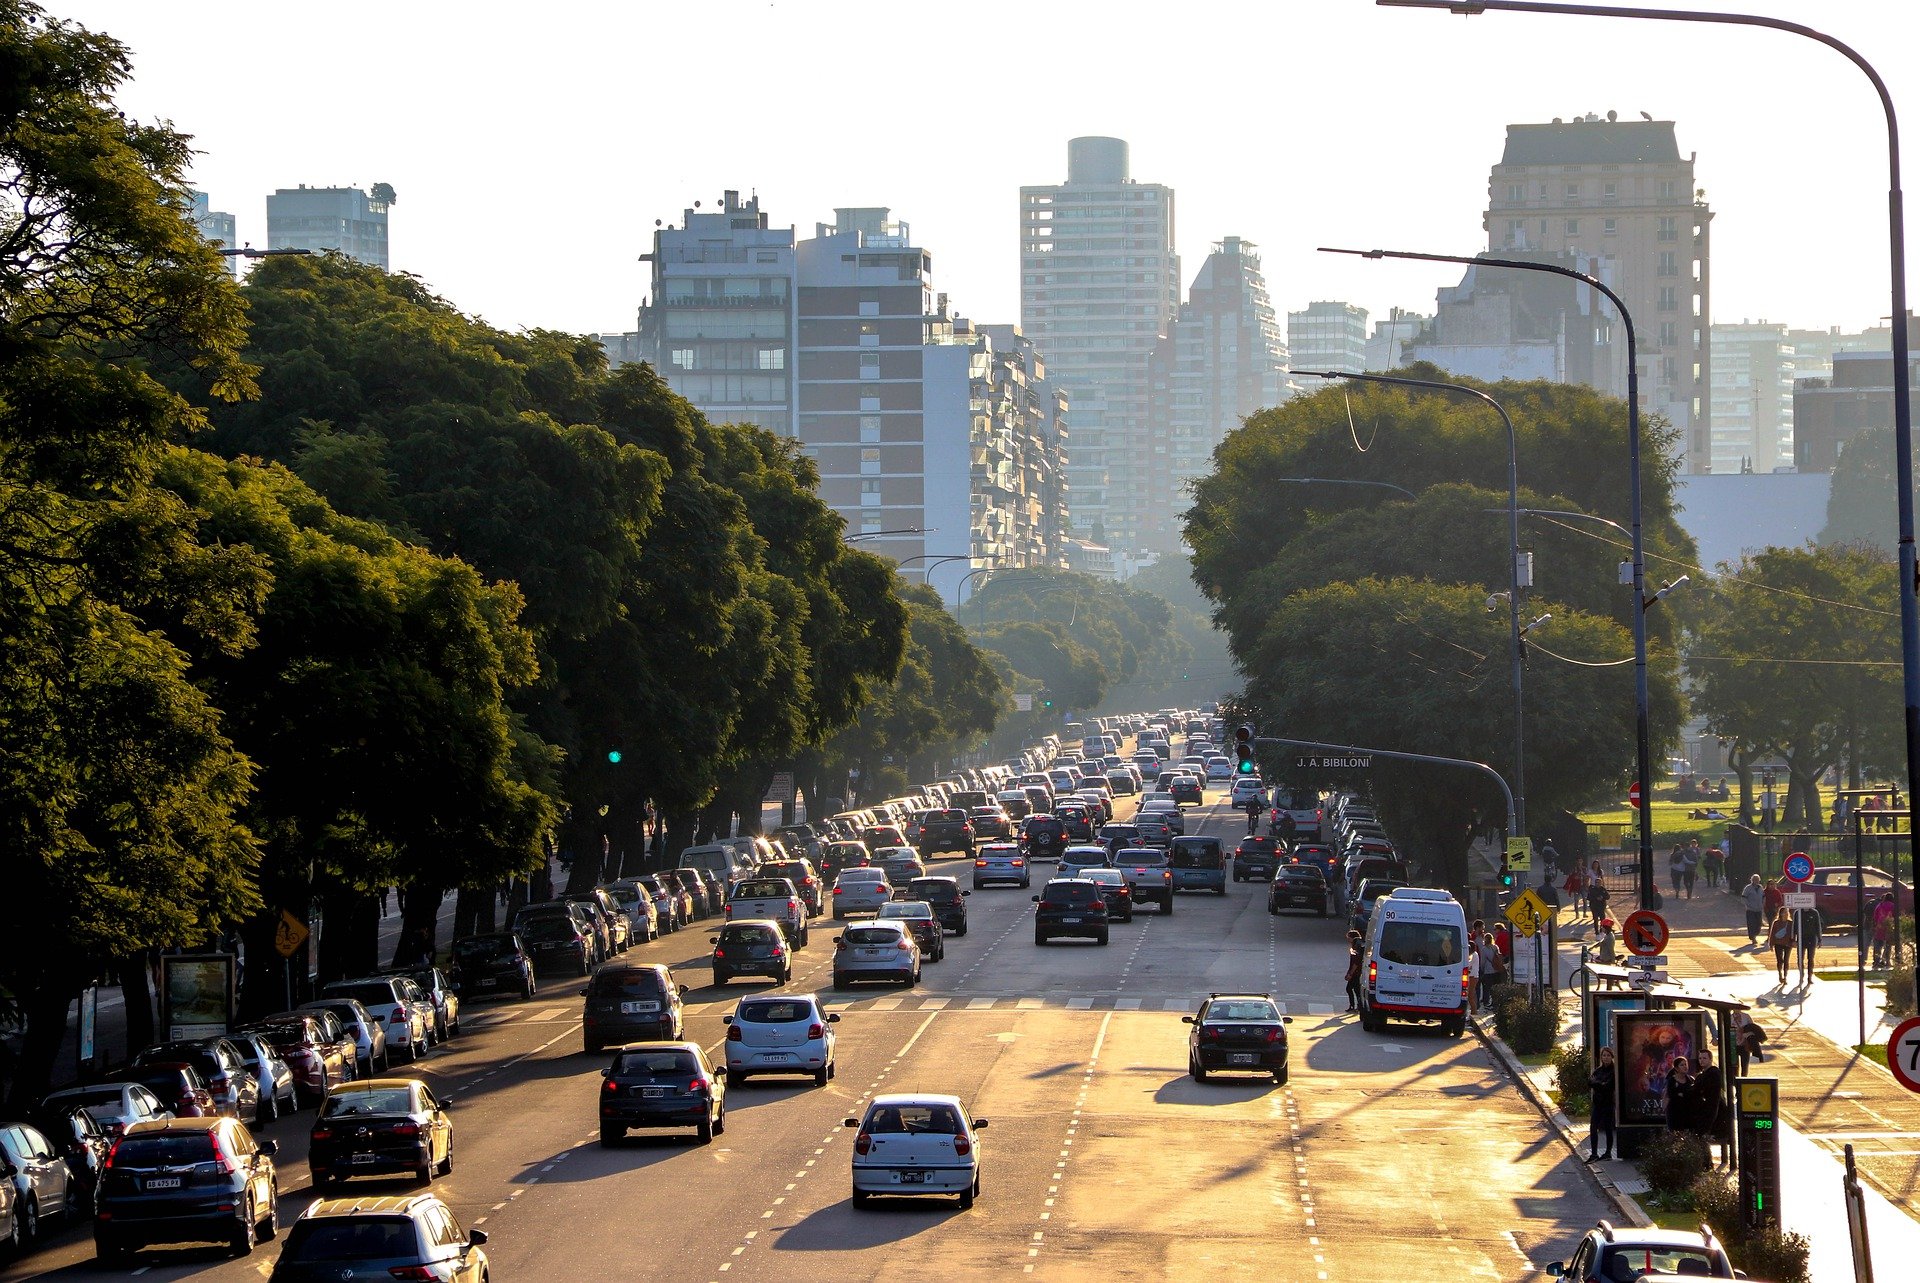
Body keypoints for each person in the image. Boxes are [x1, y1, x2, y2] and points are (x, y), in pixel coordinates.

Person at [1693, 1047, 1728, 1167]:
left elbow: (1704, 1089)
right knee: (1702, 1136)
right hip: (1707, 1109)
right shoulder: (1705, 1074)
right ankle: (1706, 1162)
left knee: (1703, 1135)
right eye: (1700, 1058)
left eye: (1704, 1058)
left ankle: (1706, 1164)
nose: (1701, 1061)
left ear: (1710, 1059)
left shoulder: (1713, 1073)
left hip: (1711, 1110)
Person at [1587, 1046, 1618, 1162]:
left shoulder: (1614, 1070)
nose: (1606, 1058)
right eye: (1604, 1055)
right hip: (1597, 1103)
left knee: (1608, 1127)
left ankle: (1608, 1152)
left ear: (1612, 1057)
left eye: (1608, 1055)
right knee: (1593, 1127)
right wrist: (1599, 1084)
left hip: (1608, 1102)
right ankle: (1594, 1153)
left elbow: (1608, 1086)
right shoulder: (1598, 1070)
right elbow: (1590, 1081)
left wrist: (1598, 1084)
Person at [1768, 905, 1797, 986]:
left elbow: (1794, 934)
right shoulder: (1776, 923)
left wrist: (1794, 941)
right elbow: (1772, 933)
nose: (1786, 914)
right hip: (1778, 943)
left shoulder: (1791, 923)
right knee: (1780, 960)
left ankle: (1785, 976)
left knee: (1786, 960)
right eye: (1784, 912)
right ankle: (1780, 974)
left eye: (1787, 912)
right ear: (1780, 914)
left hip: (1788, 944)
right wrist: (1771, 944)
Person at [1733, 1011, 1767, 1076]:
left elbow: (1752, 1027)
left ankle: (1742, 1080)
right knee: (1735, 1066)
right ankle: (1737, 1081)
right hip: (1734, 1044)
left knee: (1744, 1065)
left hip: (1745, 1044)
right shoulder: (1730, 1017)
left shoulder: (1745, 1016)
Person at [1796, 905, 1822, 984]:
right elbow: (1794, 926)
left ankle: (1809, 976)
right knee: (1800, 958)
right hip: (1801, 938)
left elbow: (1818, 926)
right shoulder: (1798, 913)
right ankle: (1801, 975)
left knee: (1810, 958)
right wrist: (1793, 938)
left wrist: (1819, 939)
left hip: (1811, 938)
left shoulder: (1814, 913)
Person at [1872, 893, 1897, 970]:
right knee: (1888, 945)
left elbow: (1875, 916)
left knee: (1877, 946)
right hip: (1889, 928)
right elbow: (1895, 916)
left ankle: (1876, 963)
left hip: (1879, 927)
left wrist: (1876, 924)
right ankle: (1886, 961)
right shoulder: (1893, 906)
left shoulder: (1880, 905)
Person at [1741, 874, 1767, 948]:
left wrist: (1763, 904)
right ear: (1752, 880)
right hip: (1750, 910)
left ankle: (1756, 934)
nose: (1756, 881)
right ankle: (1753, 938)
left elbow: (1763, 897)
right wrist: (1748, 905)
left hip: (1759, 909)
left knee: (1758, 924)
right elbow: (1743, 897)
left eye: (1758, 879)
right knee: (1751, 924)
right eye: (1755, 879)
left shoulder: (1760, 887)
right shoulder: (1748, 888)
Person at [1344, 930, 1365, 1013]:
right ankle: (1359, 1006)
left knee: (1349, 988)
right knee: (1356, 990)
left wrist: (1350, 974)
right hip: (1358, 972)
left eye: (1348, 938)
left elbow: (1355, 962)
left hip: (1356, 972)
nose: (1348, 940)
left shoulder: (1356, 946)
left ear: (1352, 938)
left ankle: (1353, 1006)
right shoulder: (1359, 945)